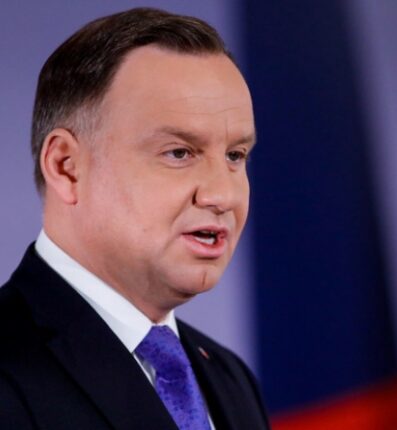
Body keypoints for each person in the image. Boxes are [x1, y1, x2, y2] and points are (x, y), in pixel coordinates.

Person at [0, 7, 269, 430]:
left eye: (235, 155)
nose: (223, 195)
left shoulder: (230, 379)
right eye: (179, 153)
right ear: (67, 167)